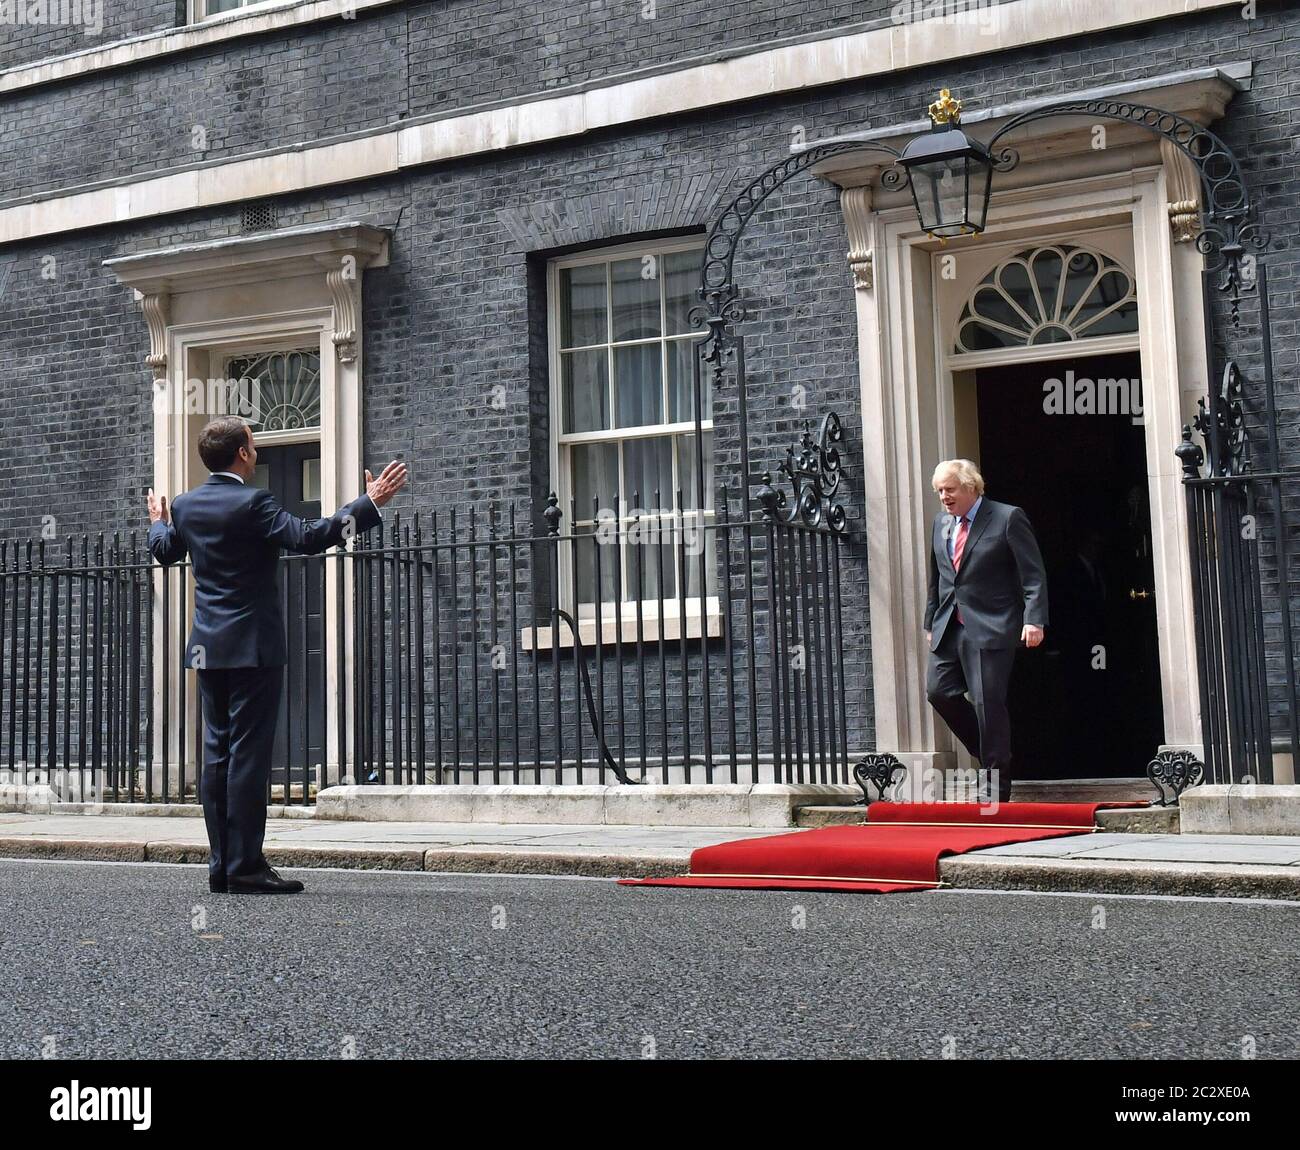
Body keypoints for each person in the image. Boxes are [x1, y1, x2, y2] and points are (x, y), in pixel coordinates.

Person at [147, 416, 407, 894]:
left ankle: (222, 866)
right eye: (253, 443)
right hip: (252, 648)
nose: (258, 451)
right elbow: (309, 538)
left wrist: (155, 523)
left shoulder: (185, 505)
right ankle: (245, 867)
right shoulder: (253, 502)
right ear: (242, 454)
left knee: (217, 755)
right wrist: (369, 505)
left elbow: (165, 552)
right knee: (246, 755)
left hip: (207, 647)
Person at [923, 459, 1047, 803]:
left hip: (992, 624)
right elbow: (937, 580)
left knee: (986, 703)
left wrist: (1034, 619)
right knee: (939, 692)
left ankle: (994, 785)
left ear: (971, 487)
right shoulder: (940, 523)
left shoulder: (1007, 517)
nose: (943, 497)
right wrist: (929, 622)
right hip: (949, 625)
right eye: (939, 491)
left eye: (949, 489)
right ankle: (994, 753)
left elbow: (1032, 574)